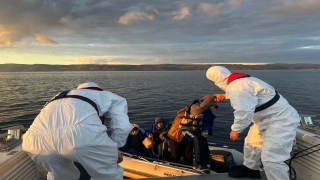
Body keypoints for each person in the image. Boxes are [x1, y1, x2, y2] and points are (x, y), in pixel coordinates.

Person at [22, 82, 132, 180]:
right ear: (98, 90)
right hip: (83, 137)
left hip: (35, 141)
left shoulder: (57, 97)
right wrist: (114, 149)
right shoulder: (106, 96)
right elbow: (123, 126)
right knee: (108, 176)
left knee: (61, 177)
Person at [206, 66, 300, 180]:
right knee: (252, 143)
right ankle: (251, 170)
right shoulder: (245, 81)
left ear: (216, 79)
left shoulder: (237, 86)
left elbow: (244, 111)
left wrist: (236, 129)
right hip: (267, 119)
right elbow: (249, 96)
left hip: (281, 121)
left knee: (272, 158)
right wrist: (225, 95)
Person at [178, 96, 217, 174]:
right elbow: (202, 107)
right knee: (198, 139)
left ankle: (204, 162)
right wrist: (212, 97)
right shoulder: (195, 106)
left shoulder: (209, 109)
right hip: (187, 129)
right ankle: (200, 164)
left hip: (198, 130)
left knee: (204, 144)